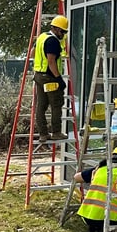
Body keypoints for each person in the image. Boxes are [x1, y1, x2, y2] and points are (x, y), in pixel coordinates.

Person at [33, 15, 68, 146]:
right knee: (56, 104)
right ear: (57, 29)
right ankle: (56, 132)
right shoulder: (53, 42)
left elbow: (32, 53)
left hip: (39, 76)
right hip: (50, 77)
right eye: (63, 32)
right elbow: (51, 61)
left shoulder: (42, 37)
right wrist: (59, 79)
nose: (63, 35)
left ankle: (43, 134)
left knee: (41, 106)